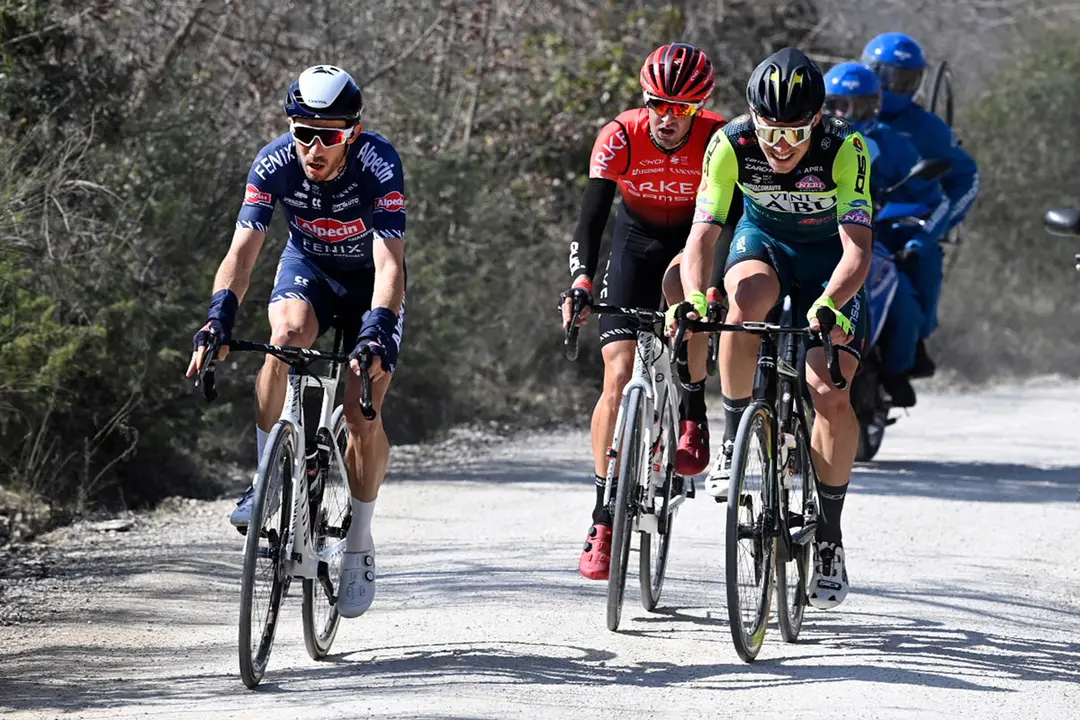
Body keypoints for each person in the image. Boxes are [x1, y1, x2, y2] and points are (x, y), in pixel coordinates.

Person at [185, 65, 406, 619]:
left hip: (368, 287)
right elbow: (241, 254)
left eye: (327, 134)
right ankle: (267, 482)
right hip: (308, 267)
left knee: (362, 410)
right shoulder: (275, 162)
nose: (312, 146)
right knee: (283, 336)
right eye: (301, 131)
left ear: (351, 133)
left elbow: (389, 262)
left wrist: (378, 327)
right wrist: (218, 318)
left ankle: (358, 539)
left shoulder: (379, 164)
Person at [680, 47, 873, 608]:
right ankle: (736, 434)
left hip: (829, 266)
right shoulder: (731, 143)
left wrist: (833, 301)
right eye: (771, 131)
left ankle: (831, 535)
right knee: (743, 310)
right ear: (752, 118)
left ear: (817, 120)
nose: (781, 147)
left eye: (795, 133)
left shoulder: (845, 148)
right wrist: (695, 296)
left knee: (828, 393)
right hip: (763, 246)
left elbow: (858, 249)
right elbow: (704, 233)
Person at [560, 43, 728, 581]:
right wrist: (581, 281)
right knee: (616, 375)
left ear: (699, 109)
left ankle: (694, 410)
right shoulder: (619, 135)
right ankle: (604, 516)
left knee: (687, 291)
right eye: (659, 104)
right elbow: (591, 219)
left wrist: (717, 282)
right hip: (633, 242)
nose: (669, 118)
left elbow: (733, 219)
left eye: (683, 109)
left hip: (693, 240)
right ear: (646, 100)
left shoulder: (718, 139)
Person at [823, 61, 949, 407]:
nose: (842, 113)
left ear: (871, 105)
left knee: (904, 303)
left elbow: (930, 198)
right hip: (812, 236)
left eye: (854, 105)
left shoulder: (892, 143)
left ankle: (894, 371)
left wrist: (915, 235)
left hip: (872, 239)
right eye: (834, 103)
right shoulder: (808, 139)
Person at [862, 33, 980, 376]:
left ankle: (904, 359)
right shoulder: (835, 114)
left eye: (906, 80)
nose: (894, 88)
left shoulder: (929, 129)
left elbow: (966, 178)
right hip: (838, 222)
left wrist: (936, 227)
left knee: (918, 287)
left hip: (899, 229)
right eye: (886, 77)